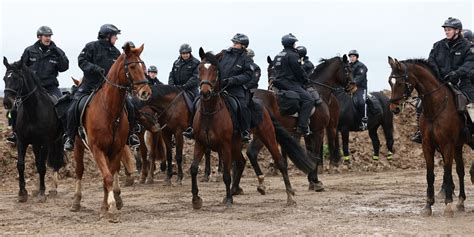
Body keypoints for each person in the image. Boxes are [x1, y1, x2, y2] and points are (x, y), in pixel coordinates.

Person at [64, 24, 139, 150]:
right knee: (73, 107)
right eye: (115, 36)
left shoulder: (116, 52)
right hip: (90, 85)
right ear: (107, 36)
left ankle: (131, 135)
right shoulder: (91, 46)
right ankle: (69, 137)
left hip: (108, 88)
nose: (116, 39)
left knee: (130, 106)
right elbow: (81, 61)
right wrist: (94, 68)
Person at [411, 17, 474, 143]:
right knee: (419, 103)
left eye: (449, 29)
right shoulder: (438, 45)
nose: (446, 32)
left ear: (457, 31)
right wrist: (437, 75)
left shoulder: (468, 47)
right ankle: (420, 131)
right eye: (445, 29)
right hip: (441, 83)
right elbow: (431, 62)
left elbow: (469, 64)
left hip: (462, 84)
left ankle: (471, 132)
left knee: (471, 105)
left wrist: (456, 73)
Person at [11, 26, 70, 144]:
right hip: (32, 88)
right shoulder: (29, 50)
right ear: (39, 37)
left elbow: (64, 67)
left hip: (50, 86)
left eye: (50, 36)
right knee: (15, 107)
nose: (48, 38)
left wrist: (58, 53)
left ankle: (65, 134)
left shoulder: (56, 51)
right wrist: (11, 66)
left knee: (62, 106)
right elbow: (21, 65)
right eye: (46, 36)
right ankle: (15, 133)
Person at [272, 33, 314, 136]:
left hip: (278, 83)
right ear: (291, 43)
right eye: (294, 43)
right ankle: (302, 127)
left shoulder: (278, 55)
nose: (295, 45)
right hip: (289, 83)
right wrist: (306, 81)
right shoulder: (293, 55)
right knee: (309, 100)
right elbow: (298, 71)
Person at [348, 49, 369, 131]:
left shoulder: (361, 66)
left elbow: (359, 77)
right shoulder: (348, 66)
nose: (351, 58)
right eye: (350, 57)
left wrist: (353, 83)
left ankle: (364, 121)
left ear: (356, 57)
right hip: (350, 88)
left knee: (361, 102)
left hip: (360, 88)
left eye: (353, 56)